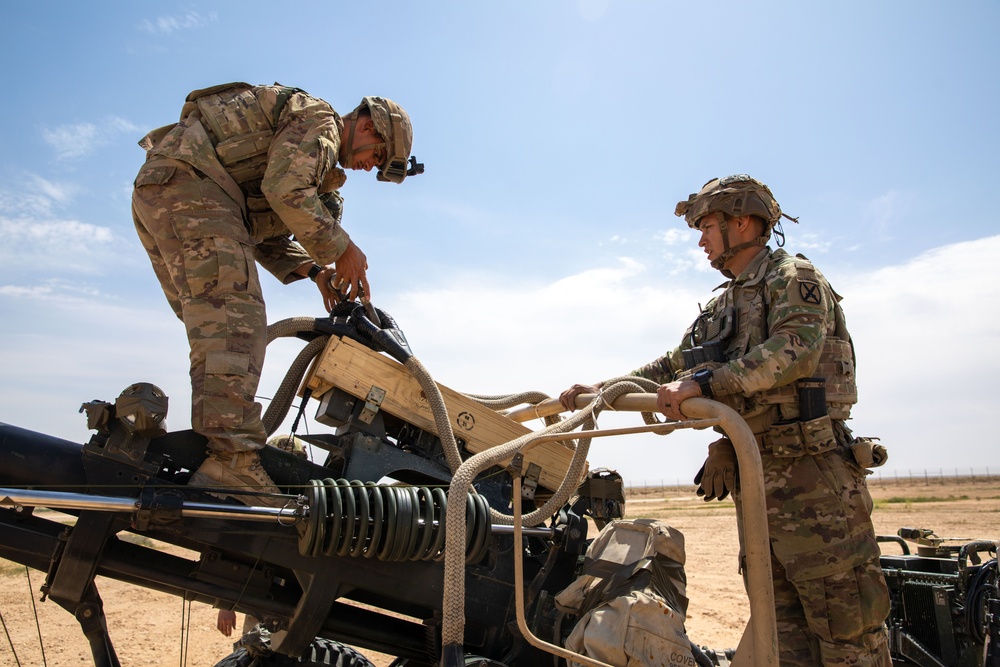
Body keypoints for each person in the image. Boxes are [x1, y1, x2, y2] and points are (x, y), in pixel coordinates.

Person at [560, 175, 891, 666]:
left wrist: (705, 384)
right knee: (779, 630)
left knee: (846, 631)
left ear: (742, 222)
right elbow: (672, 364)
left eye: (707, 226)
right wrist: (606, 388)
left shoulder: (791, 277)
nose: (701, 240)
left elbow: (794, 350)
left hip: (813, 475)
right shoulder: (726, 302)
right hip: (758, 475)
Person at [132, 82, 418, 507]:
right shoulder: (319, 121)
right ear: (368, 127)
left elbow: (263, 234)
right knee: (235, 326)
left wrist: (316, 272)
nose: (367, 167)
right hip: (193, 186)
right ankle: (232, 460)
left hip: (170, 190)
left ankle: (220, 449)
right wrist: (344, 250)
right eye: (376, 156)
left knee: (217, 331)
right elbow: (286, 190)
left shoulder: (317, 163)